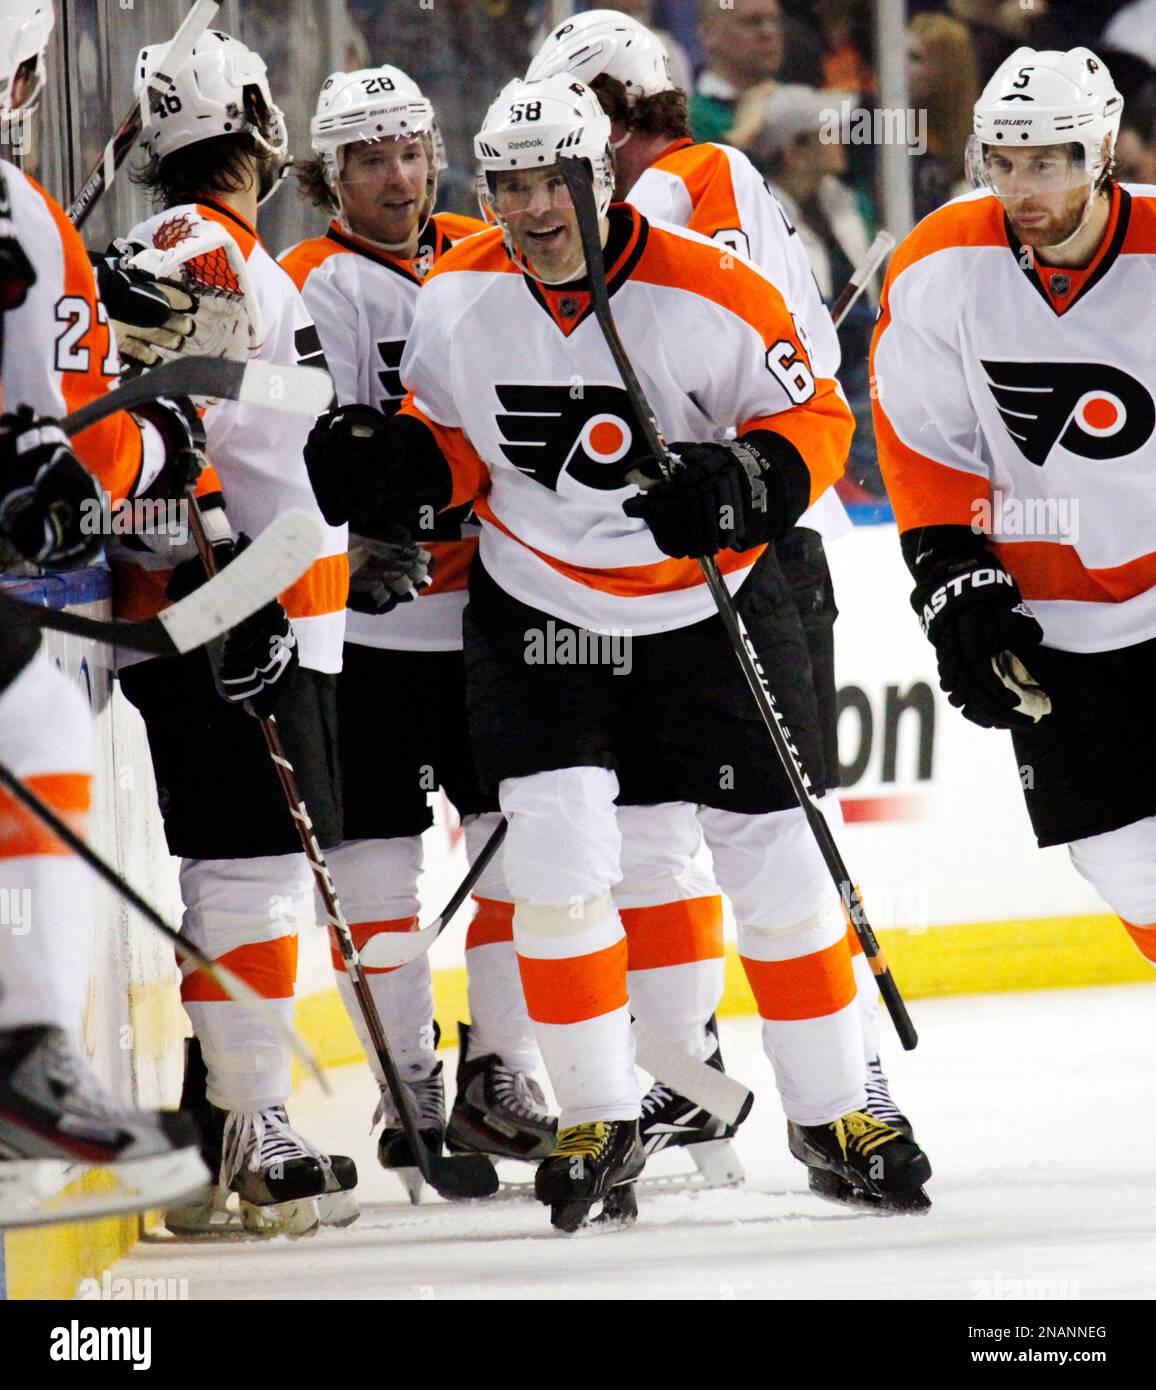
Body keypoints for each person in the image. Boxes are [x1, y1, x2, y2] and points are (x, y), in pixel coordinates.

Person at [305, 73, 933, 1231]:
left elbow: (816, 420)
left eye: (554, 182)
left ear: (600, 176)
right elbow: (453, 440)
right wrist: (393, 470)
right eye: (509, 186)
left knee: (778, 868)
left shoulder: (714, 286)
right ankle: (598, 1115)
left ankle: (836, 1106)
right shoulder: (457, 293)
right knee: (554, 861)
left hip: (711, 610)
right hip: (539, 606)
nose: (534, 209)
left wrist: (742, 482)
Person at [526, 9, 923, 1202]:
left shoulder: (689, 179)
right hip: (709, 537)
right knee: (679, 832)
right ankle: (698, 1070)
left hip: (738, 547)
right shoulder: (719, 173)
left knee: (761, 831)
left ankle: (831, 1079)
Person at [280, 65, 556, 1196]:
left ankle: (502, 1067)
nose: (396, 177)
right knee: (377, 868)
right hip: (365, 645)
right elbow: (292, 452)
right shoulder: (306, 283)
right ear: (329, 177)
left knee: (525, 845)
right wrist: (341, 551)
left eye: (409, 153)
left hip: (493, 615)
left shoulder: (488, 250)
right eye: (369, 160)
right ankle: (410, 1087)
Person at [112, 28, 357, 1238]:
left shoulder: (207, 244)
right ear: (255, 115)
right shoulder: (200, 243)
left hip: (255, 606)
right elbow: (173, 435)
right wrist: (234, 607)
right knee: (251, 876)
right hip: (223, 610)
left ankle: (213, 1139)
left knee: (254, 878)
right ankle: (257, 1122)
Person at [872, 53, 1156, 1040]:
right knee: (1118, 857)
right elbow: (922, 439)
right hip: (1055, 612)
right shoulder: (942, 260)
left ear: (1101, 149)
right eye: (1003, 162)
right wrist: (951, 575)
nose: (1022, 189)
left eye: (1047, 163)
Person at [0, 0, 209, 1227]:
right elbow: (56, 449)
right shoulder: (20, 216)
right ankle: (25, 1055)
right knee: (32, 715)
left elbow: (42, 461)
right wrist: (157, 438)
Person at [907, 12, 981, 223]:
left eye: (915, 58)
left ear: (947, 70)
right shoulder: (882, 124)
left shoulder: (976, 135)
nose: (900, 67)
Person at [689, 0, 785, 145]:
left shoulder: (793, 99)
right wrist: (741, 133)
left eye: (775, 21)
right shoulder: (690, 118)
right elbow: (695, 167)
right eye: (752, 22)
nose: (768, 32)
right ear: (709, 33)